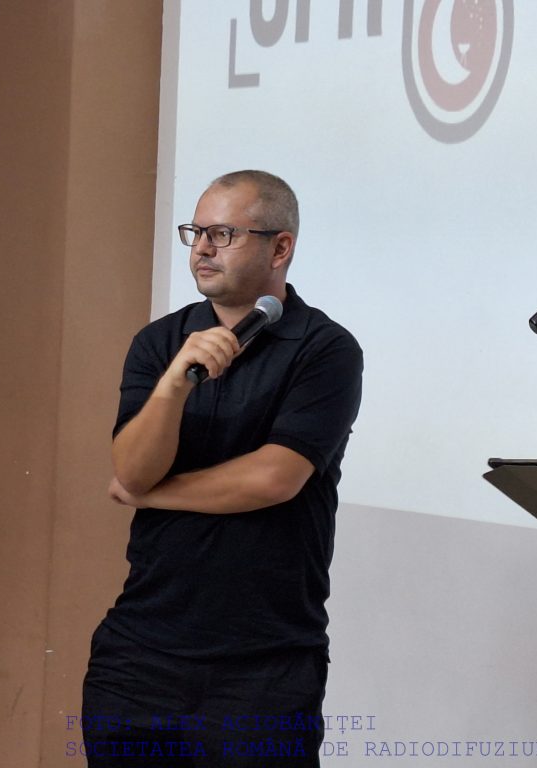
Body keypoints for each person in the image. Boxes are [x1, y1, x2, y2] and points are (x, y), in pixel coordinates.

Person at [81, 170, 363, 767]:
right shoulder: (160, 343)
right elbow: (132, 470)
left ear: (280, 248)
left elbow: (274, 479)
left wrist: (153, 495)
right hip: (138, 657)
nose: (202, 248)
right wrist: (172, 386)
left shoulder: (325, 349)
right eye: (196, 232)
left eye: (224, 234)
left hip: (263, 667)